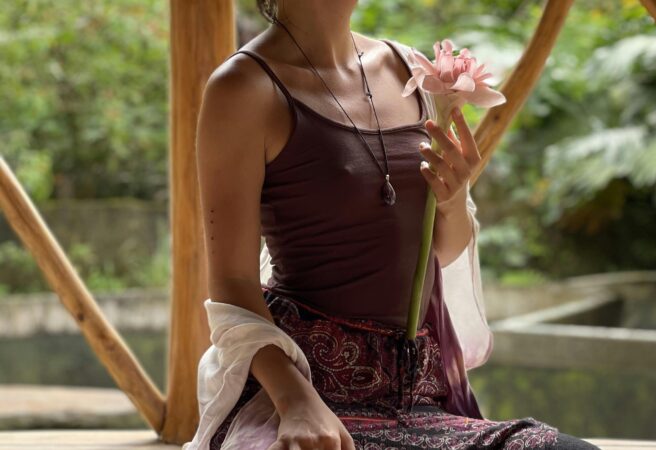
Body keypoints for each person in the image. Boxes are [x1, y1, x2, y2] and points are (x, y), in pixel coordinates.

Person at [187, 0, 603, 449]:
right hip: (306, 394)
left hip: (419, 398)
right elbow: (231, 283)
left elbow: (441, 253)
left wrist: (453, 199)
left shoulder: (408, 69)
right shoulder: (243, 87)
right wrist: (296, 402)